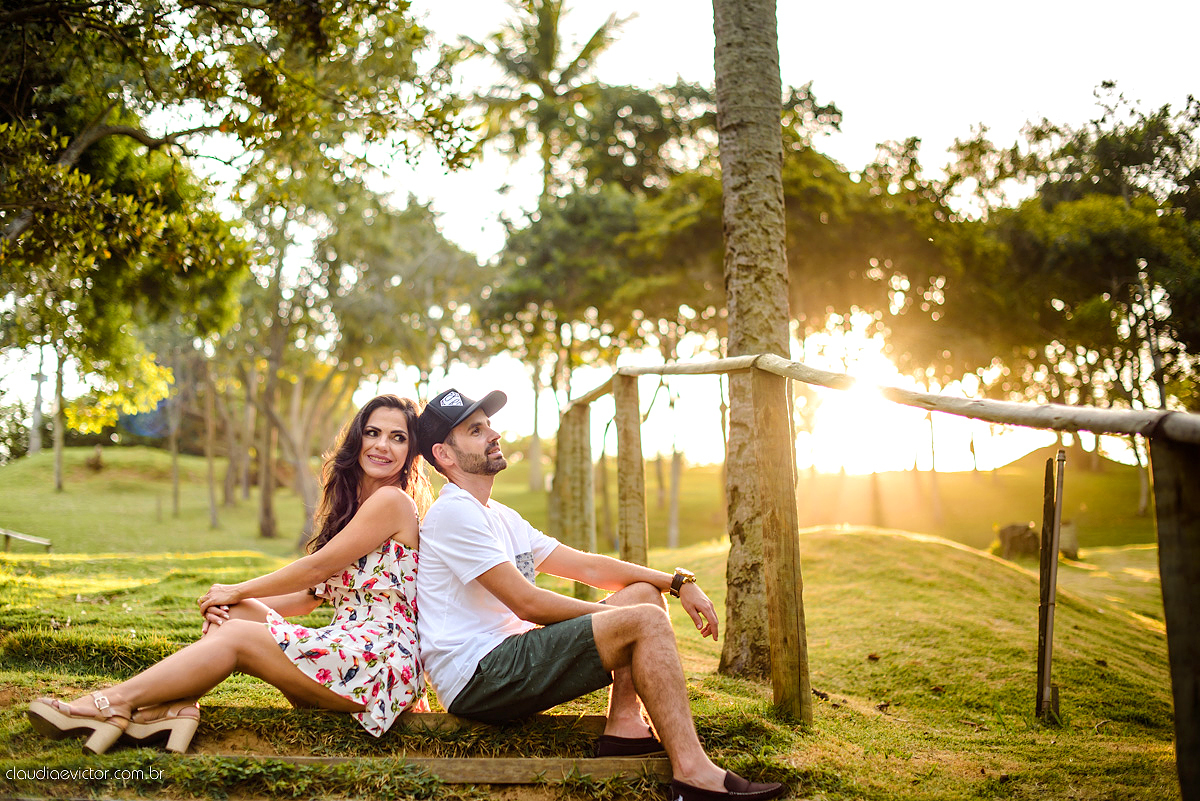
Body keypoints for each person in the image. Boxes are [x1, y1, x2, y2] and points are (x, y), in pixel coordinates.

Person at [415, 388, 786, 801]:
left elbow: (588, 567)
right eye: (475, 430)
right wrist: (616, 624)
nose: (494, 434)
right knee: (642, 621)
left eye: (488, 424)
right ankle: (694, 776)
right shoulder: (453, 512)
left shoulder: (498, 515)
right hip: (478, 677)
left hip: (508, 656)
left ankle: (624, 728)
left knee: (643, 596)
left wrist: (675, 582)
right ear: (444, 455)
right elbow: (528, 603)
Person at [26, 394, 431, 754]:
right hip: (349, 652)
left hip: (381, 663)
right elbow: (308, 598)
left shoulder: (392, 502)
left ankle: (113, 701)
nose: (382, 445)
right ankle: (177, 707)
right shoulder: (357, 510)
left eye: (398, 437)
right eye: (373, 432)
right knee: (234, 618)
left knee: (237, 632)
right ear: (357, 439)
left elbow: (316, 567)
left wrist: (235, 587)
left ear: (411, 450)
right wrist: (231, 603)